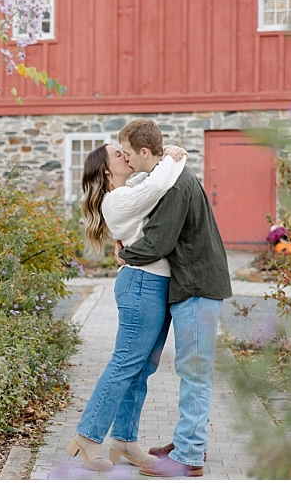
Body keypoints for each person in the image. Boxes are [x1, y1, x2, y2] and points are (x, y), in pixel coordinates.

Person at [116, 119, 233, 478]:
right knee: (192, 370)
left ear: (145, 152)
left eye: (128, 153)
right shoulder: (170, 176)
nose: (125, 159)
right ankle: (188, 440)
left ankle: (189, 456)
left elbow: (159, 241)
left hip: (198, 287)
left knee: (194, 372)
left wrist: (125, 255)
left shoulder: (175, 186)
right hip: (193, 285)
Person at [65, 139, 187, 471]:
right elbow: (159, 182)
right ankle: (88, 436)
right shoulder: (115, 200)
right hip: (141, 284)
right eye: (118, 154)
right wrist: (175, 155)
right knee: (124, 364)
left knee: (142, 368)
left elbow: (148, 180)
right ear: (107, 170)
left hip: (156, 282)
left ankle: (124, 440)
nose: (126, 155)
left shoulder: (129, 187)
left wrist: (162, 157)